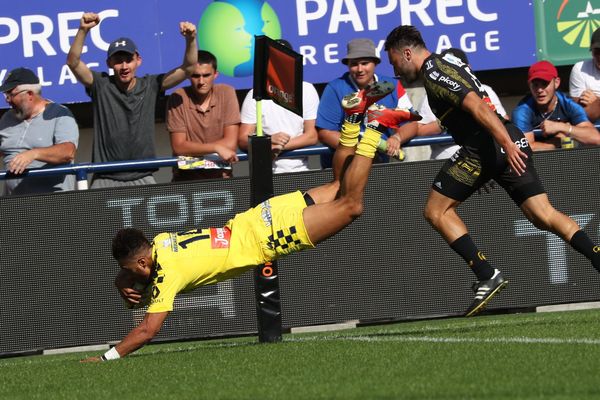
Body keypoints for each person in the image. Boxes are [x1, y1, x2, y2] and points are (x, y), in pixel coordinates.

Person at [80, 82, 421, 362]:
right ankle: (353, 118)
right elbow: (137, 260)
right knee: (336, 186)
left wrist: (108, 356)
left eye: (134, 270)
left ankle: (374, 124)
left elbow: (147, 331)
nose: (136, 276)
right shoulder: (160, 240)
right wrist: (121, 279)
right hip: (258, 217)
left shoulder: (168, 274)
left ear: (142, 261)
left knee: (350, 205)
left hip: (267, 238)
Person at [384, 25, 600, 317]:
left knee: (435, 211)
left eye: (394, 61)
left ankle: (486, 273)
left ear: (406, 53)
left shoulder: (434, 72)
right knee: (543, 215)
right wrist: (501, 151)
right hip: (502, 140)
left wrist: (502, 148)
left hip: (487, 145)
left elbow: (477, 106)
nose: (395, 70)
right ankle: (596, 256)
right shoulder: (445, 66)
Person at [66, 12, 198, 188]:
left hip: (142, 175)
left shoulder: (150, 85)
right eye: (118, 61)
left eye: (128, 60)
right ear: (109, 63)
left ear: (138, 61)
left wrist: (191, 39)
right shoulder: (101, 84)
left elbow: (189, 68)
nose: (124, 66)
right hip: (105, 177)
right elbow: (73, 62)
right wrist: (83, 30)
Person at [316, 38, 418, 169]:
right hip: (342, 166)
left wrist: (397, 138)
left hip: (380, 164)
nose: (359, 69)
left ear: (375, 63)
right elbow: (325, 132)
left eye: (365, 63)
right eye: (354, 64)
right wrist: (362, 150)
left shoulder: (392, 85)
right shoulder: (335, 88)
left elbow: (411, 123)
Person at [238, 40, 319, 173]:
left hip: (302, 171)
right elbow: (242, 139)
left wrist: (277, 146)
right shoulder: (254, 94)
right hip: (266, 175)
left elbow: (312, 136)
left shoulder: (307, 89)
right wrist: (268, 142)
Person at [0, 68, 78, 195]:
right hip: (13, 206)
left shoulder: (60, 114)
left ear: (30, 94)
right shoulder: (6, 118)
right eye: (6, 95)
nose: (7, 100)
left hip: (52, 204)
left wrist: (33, 154)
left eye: (11, 94)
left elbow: (68, 152)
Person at [166, 50, 240, 181]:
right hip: (186, 180)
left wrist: (193, 150)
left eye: (206, 75)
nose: (201, 81)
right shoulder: (177, 97)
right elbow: (179, 146)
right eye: (195, 76)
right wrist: (216, 148)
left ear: (216, 74)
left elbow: (231, 143)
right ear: (188, 75)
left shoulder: (227, 92)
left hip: (222, 178)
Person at [429, 48, 510, 160]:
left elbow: (504, 120)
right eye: (447, 68)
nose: (452, 72)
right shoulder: (432, 94)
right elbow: (418, 128)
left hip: (481, 153)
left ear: (467, 68)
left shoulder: (485, 90)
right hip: (443, 157)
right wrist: (444, 122)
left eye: (455, 67)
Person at [512, 60, 599, 151]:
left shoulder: (567, 104)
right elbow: (525, 149)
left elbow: (596, 138)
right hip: (535, 162)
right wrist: (556, 142)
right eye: (535, 85)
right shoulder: (522, 111)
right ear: (529, 85)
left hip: (566, 159)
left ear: (556, 83)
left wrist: (562, 127)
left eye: (545, 83)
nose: (540, 90)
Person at [569, 27, 600, 123]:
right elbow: (582, 115)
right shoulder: (580, 68)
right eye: (597, 51)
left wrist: (596, 101)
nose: (599, 56)